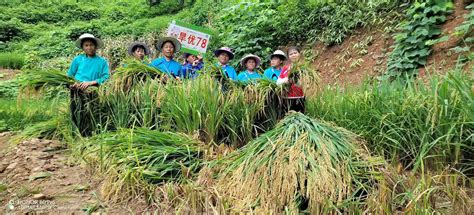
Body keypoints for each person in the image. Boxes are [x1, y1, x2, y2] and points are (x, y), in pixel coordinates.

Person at [67, 33, 109, 136]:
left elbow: (105, 77)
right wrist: (72, 84)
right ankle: (76, 134)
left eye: (91, 45)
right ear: (82, 47)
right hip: (77, 90)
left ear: (95, 46)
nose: (89, 47)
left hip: (92, 91)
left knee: (90, 113)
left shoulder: (102, 62)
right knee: (76, 112)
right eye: (86, 45)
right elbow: (70, 75)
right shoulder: (78, 60)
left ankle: (89, 134)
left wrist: (91, 82)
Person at [276, 46, 305, 113]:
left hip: (299, 97)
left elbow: (306, 83)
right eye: (291, 54)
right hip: (286, 98)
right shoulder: (286, 68)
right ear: (288, 57)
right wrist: (285, 80)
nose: (293, 55)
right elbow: (278, 82)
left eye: (295, 53)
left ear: (299, 54)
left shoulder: (303, 68)